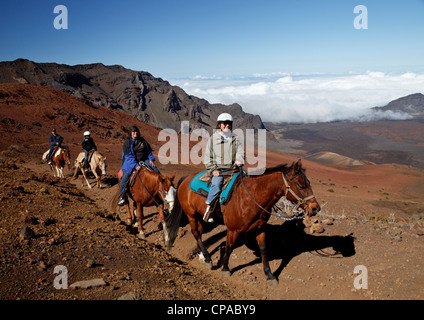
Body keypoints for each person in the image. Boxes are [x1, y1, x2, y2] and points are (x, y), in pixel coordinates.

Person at [203, 113, 244, 222]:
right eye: (224, 123)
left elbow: (240, 151)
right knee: (217, 185)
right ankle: (209, 209)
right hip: (220, 170)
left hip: (234, 168)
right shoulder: (213, 139)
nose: (227, 125)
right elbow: (208, 157)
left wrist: (239, 159)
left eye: (229, 123)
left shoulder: (235, 138)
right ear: (219, 125)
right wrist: (213, 170)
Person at [117, 125, 160, 206]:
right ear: (131, 133)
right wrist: (135, 165)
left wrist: (151, 159)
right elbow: (128, 156)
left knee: (156, 171)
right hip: (130, 162)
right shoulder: (127, 143)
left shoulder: (143, 141)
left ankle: (159, 191)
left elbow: (149, 151)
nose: (135, 133)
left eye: (136, 132)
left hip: (143, 160)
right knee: (125, 177)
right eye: (133, 132)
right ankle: (121, 196)